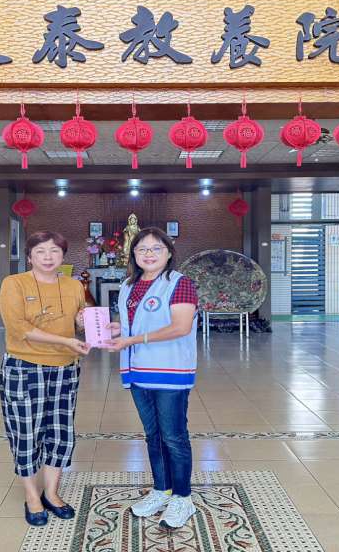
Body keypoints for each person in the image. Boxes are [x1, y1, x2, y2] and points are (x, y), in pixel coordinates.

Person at [106, 226, 199, 529]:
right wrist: (116, 330)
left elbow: (180, 327)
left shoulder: (180, 283)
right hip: (138, 371)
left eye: (156, 248)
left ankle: (183, 498)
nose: (148, 254)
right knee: (153, 435)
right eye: (142, 248)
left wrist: (132, 339)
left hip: (170, 371)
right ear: (133, 254)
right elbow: (133, 323)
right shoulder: (128, 285)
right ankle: (162, 490)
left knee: (173, 436)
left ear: (168, 253)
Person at [0, 231, 90, 526]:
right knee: (26, 432)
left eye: (54, 251)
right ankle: (31, 496)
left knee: (60, 432)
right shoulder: (14, 283)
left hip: (65, 368)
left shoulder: (74, 285)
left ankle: (51, 493)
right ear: (30, 256)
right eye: (40, 251)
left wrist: (84, 323)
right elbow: (18, 328)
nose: (48, 257)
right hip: (24, 367)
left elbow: (79, 321)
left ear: (63, 256)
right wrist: (65, 341)